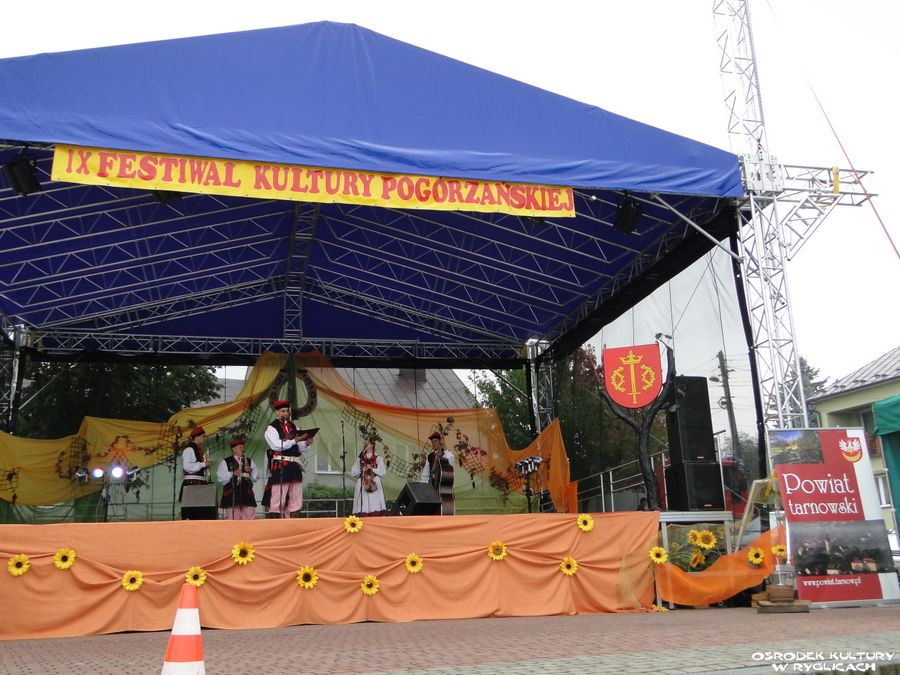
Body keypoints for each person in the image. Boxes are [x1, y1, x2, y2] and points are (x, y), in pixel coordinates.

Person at [262, 399, 311, 517]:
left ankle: (294, 516)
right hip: (281, 463)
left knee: (296, 493)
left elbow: (299, 447)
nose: (285, 413)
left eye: (287, 411)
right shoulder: (271, 428)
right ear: (276, 412)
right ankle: (275, 518)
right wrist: (295, 440)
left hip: (294, 463)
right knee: (279, 494)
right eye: (282, 411)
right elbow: (276, 445)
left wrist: (306, 443)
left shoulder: (294, 427)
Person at [217, 437, 259, 520]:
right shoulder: (226, 461)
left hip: (246, 492)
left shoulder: (249, 461)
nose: (243, 449)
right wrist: (232, 473)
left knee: (250, 515)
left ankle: (249, 528)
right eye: (240, 447)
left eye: (243, 447)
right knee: (233, 517)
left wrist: (251, 470)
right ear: (233, 449)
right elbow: (220, 477)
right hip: (232, 492)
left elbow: (257, 476)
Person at [350, 438, 388, 516]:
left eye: (367, 443)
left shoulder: (378, 458)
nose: (364, 444)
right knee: (362, 501)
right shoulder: (360, 458)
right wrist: (361, 470)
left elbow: (383, 472)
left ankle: (375, 515)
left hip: (374, 482)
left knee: (375, 500)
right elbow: (353, 472)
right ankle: (362, 514)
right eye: (364, 443)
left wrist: (372, 468)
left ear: (372, 445)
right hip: (363, 482)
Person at [421, 430, 455, 514]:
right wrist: (422, 487)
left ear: (440, 442)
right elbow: (425, 474)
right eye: (432, 441)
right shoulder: (430, 456)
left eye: (436, 441)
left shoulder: (446, 454)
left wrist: (445, 447)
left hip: (444, 488)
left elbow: (450, 461)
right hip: (432, 488)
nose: (433, 443)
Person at [180, 426, 211, 520]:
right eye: (203, 436)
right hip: (192, 483)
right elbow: (187, 466)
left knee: (201, 512)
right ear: (197, 437)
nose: (204, 438)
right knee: (192, 512)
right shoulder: (189, 449)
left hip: (200, 482)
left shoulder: (199, 449)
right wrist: (203, 464)